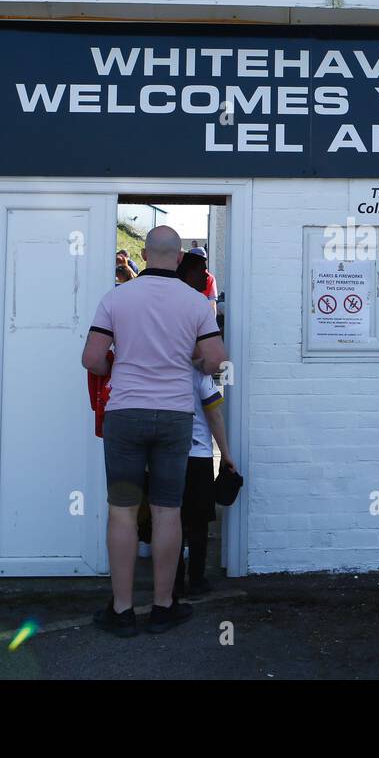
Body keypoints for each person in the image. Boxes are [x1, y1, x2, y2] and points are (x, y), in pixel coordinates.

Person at [81, 226, 227, 638]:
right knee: (167, 511)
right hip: (175, 416)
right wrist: (191, 364)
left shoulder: (116, 297)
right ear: (179, 258)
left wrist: (123, 366)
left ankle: (122, 611)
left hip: (125, 414)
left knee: (123, 511)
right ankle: (164, 606)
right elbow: (216, 360)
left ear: (143, 255)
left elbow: (92, 359)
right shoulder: (196, 302)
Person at [173, 250, 238, 596]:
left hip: (164, 454)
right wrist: (225, 453)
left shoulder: (160, 368)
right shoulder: (200, 372)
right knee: (197, 523)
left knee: (168, 520)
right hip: (197, 454)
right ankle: (195, 580)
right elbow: (213, 411)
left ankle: (168, 581)